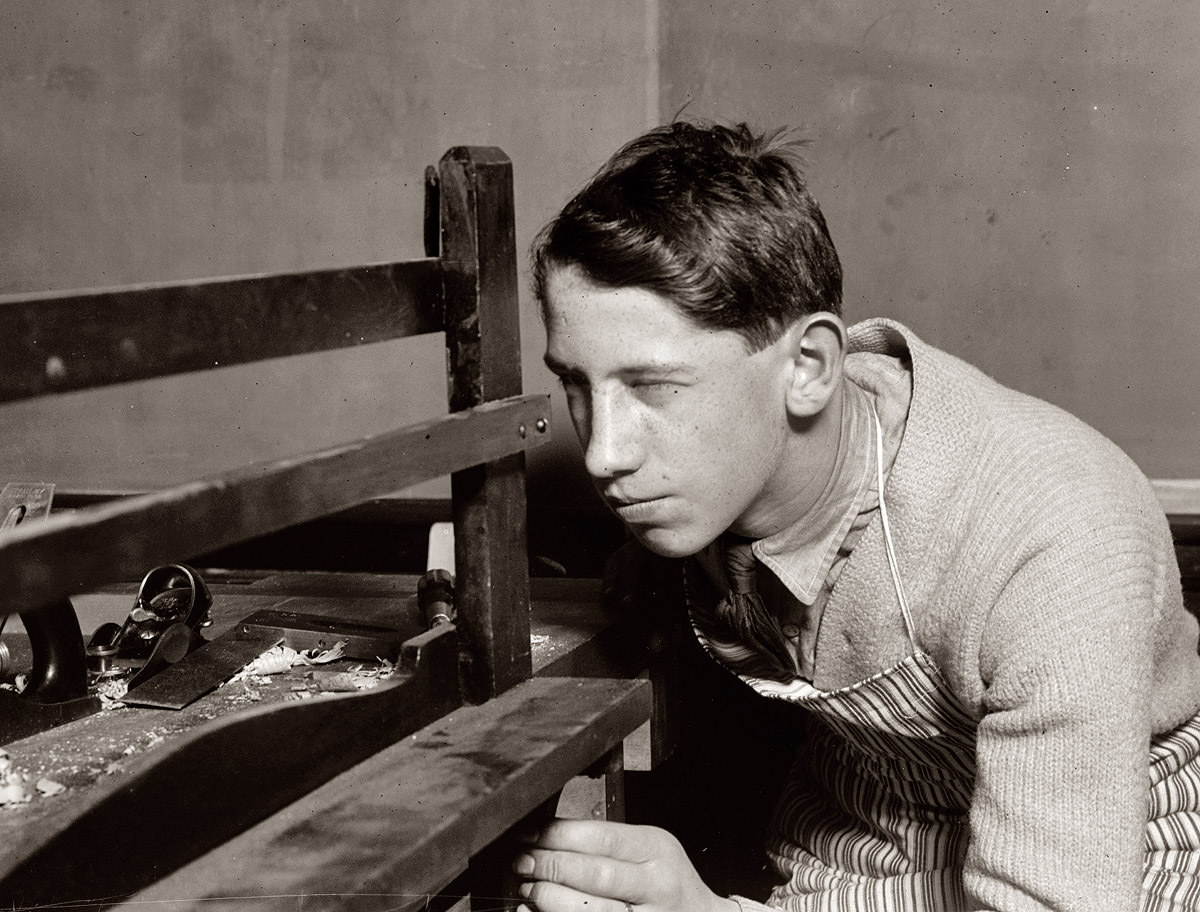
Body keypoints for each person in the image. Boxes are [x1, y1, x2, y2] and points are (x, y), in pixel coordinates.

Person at [513, 120, 1200, 912]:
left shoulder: (1052, 538)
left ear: (808, 368)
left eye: (654, 388)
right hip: (853, 853)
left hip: (1108, 863)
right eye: (576, 385)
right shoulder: (707, 481)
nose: (602, 453)